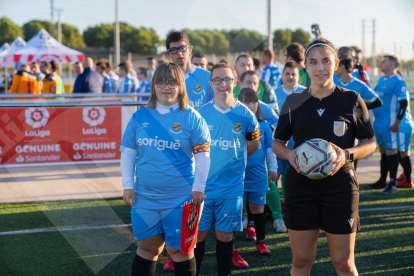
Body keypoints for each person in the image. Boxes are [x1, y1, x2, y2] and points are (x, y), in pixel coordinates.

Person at [273, 38, 376, 276]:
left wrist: (346, 153)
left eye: (326, 61)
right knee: (301, 260)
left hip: (340, 187)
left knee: (343, 263)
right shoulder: (293, 101)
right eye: (313, 62)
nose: (320, 68)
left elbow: (370, 142)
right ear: (305, 67)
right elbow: (277, 143)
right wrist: (290, 154)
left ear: (336, 63)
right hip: (300, 188)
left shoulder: (350, 99)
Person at [121, 62, 211, 276]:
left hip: (181, 198)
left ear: (181, 86)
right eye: (160, 82)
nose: (165, 87)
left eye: (171, 82)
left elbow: (203, 156)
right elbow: (128, 152)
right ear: (153, 86)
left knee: (180, 251)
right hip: (145, 197)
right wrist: (127, 185)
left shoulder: (192, 117)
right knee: (147, 247)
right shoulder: (140, 116)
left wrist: (199, 187)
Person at [195, 63, 260, 276]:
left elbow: (253, 145)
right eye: (217, 80)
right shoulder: (200, 114)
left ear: (235, 82)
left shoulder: (246, 115)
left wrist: (233, 161)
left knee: (225, 237)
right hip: (202, 187)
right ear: (210, 83)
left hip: (231, 188)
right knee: (199, 236)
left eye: (227, 80)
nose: (223, 84)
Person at [238, 87, 278, 255]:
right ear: (239, 103)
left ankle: (261, 242)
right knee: (235, 210)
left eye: (254, 101)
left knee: (258, 208)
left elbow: (270, 149)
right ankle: (231, 248)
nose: (251, 105)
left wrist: (274, 168)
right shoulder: (235, 125)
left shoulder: (264, 125)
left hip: (258, 174)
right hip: (237, 174)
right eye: (247, 102)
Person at [368, 55, 412, 194]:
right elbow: (375, 99)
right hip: (379, 124)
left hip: (390, 124)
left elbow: (404, 103)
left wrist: (397, 122)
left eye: (384, 61)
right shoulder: (381, 80)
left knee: (393, 152)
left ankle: (392, 184)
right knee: (383, 152)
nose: (380, 63)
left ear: (392, 64)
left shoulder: (398, 81)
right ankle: (382, 181)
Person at [273, 61, 306, 231]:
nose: (290, 77)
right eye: (287, 74)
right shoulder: (274, 92)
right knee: (274, 177)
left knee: (292, 178)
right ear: (282, 75)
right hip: (277, 144)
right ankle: (273, 211)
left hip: (297, 145)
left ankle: (290, 209)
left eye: (293, 74)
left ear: (298, 76)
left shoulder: (305, 93)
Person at [166, 31, 214, 110]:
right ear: (168, 54)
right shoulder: (164, 79)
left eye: (182, 48)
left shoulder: (207, 76)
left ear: (190, 49)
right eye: (174, 50)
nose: (179, 53)